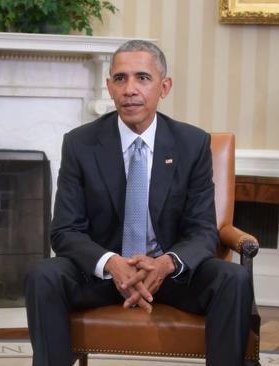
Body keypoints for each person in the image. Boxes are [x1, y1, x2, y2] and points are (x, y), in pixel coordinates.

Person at [24, 40, 253, 366]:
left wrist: (164, 265)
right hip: (102, 275)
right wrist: (112, 263)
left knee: (234, 278)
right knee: (42, 275)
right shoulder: (80, 144)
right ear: (109, 87)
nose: (130, 89)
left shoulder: (192, 144)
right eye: (120, 78)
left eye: (142, 78)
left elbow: (203, 231)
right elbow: (65, 231)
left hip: (170, 275)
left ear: (165, 86)